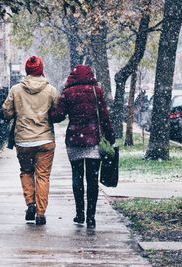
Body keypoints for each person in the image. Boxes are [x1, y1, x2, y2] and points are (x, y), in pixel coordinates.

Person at [50, 65, 115, 229]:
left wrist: (48, 112)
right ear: (90, 75)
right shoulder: (96, 91)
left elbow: (58, 116)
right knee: (92, 180)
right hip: (93, 140)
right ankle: (91, 217)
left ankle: (79, 214)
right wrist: (110, 136)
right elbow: (105, 116)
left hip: (74, 139)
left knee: (77, 177)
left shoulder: (67, 93)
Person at [2, 56, 58, 225]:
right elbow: (57, 113)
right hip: (45, 139)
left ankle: (30, 204)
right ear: (41, 70)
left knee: (26, 171)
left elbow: (6, 113)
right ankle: (41, 213)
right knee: (43, 176)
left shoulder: (16, 89)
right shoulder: (51, 90)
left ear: (27, 70)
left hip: (23, 141)